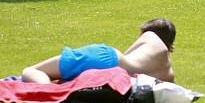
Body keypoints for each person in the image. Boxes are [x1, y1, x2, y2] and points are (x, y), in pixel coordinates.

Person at [22, 19, 176, 84]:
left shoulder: (151, 36)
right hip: (119, 80)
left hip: (109, 59)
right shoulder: (169, 76)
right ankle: (52, 88)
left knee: (31, 71)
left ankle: (46, 90)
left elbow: (126, 55)